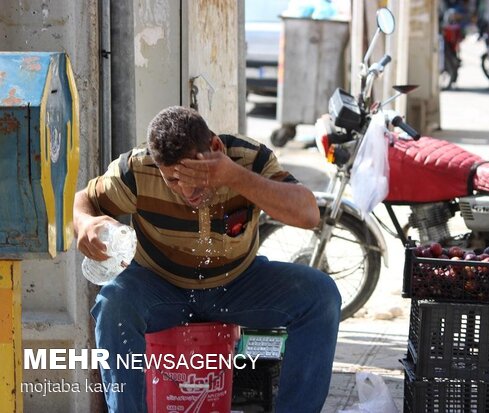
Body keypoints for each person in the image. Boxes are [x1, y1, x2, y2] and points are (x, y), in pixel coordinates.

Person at [73, 106, 342, 412]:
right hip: (160, 287)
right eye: (173, 180)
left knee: (321, 296)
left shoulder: (249, 159)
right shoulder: (138, 168)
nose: (188, 191)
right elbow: (86, 199)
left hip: (237, 284)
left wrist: (234, 176)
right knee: (113, 305)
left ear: (215, 147)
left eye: (195, 175)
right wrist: (85, 223)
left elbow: (308, 213)